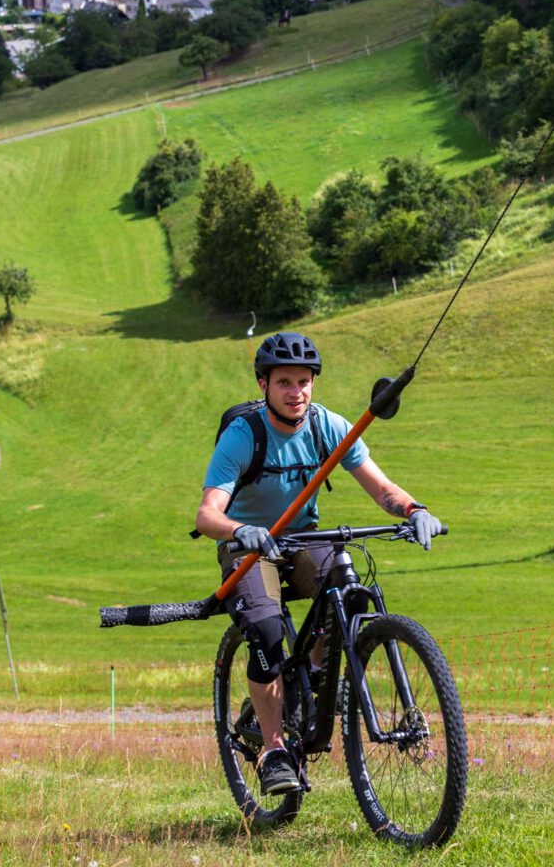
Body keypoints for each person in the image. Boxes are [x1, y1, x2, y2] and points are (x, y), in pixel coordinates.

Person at [194, 331, 442, 797]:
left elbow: (382, 488)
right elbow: (207, 514)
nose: (296, 392)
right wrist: (238, 530)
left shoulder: (328, 426)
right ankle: (274, 750)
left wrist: (415, 510)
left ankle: (312, 683)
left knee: (346, 588)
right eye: (284, 382)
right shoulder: (243, 434)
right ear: (264, 385)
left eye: (304, 381)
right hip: (246, 544)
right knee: (267, 633)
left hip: (303, 536)